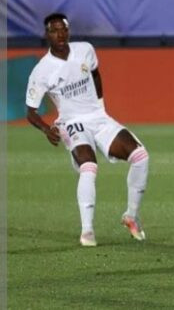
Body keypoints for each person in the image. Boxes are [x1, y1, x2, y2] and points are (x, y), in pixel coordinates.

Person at [25, 13, 149, 247]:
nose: (60, 34)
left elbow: (95, 73)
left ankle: (131, 217)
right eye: (54, 30)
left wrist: (101, 106)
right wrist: (45, 129)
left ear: (68, 31)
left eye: (63, 29)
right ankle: (87, 231)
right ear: (46, 34)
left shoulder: (85, 50)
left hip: (98, 118)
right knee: (89, 166)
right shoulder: (41, 71)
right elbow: (30, 111)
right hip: (72, 123)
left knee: (141, 156)